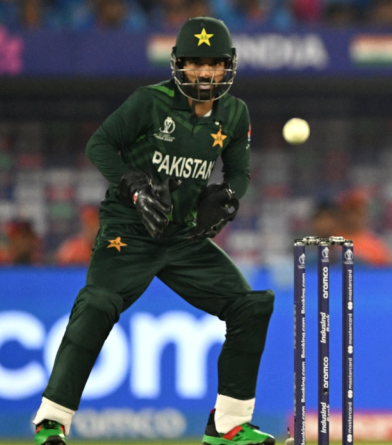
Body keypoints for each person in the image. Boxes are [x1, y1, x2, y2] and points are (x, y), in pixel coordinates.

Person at [32, 17, 276, 445]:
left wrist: (226, 196)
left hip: (183, 236)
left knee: (250, 307)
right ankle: (51, 420)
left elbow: (239, 173)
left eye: (214, 64)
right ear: (179, 65)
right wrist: (134, 185)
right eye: (196, 63)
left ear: (228, 66)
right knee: (98, 303)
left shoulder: (236, 113)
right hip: (130, 228)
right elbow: (99, 145)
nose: (205, 73)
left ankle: (227, 425)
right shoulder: (150, 102)